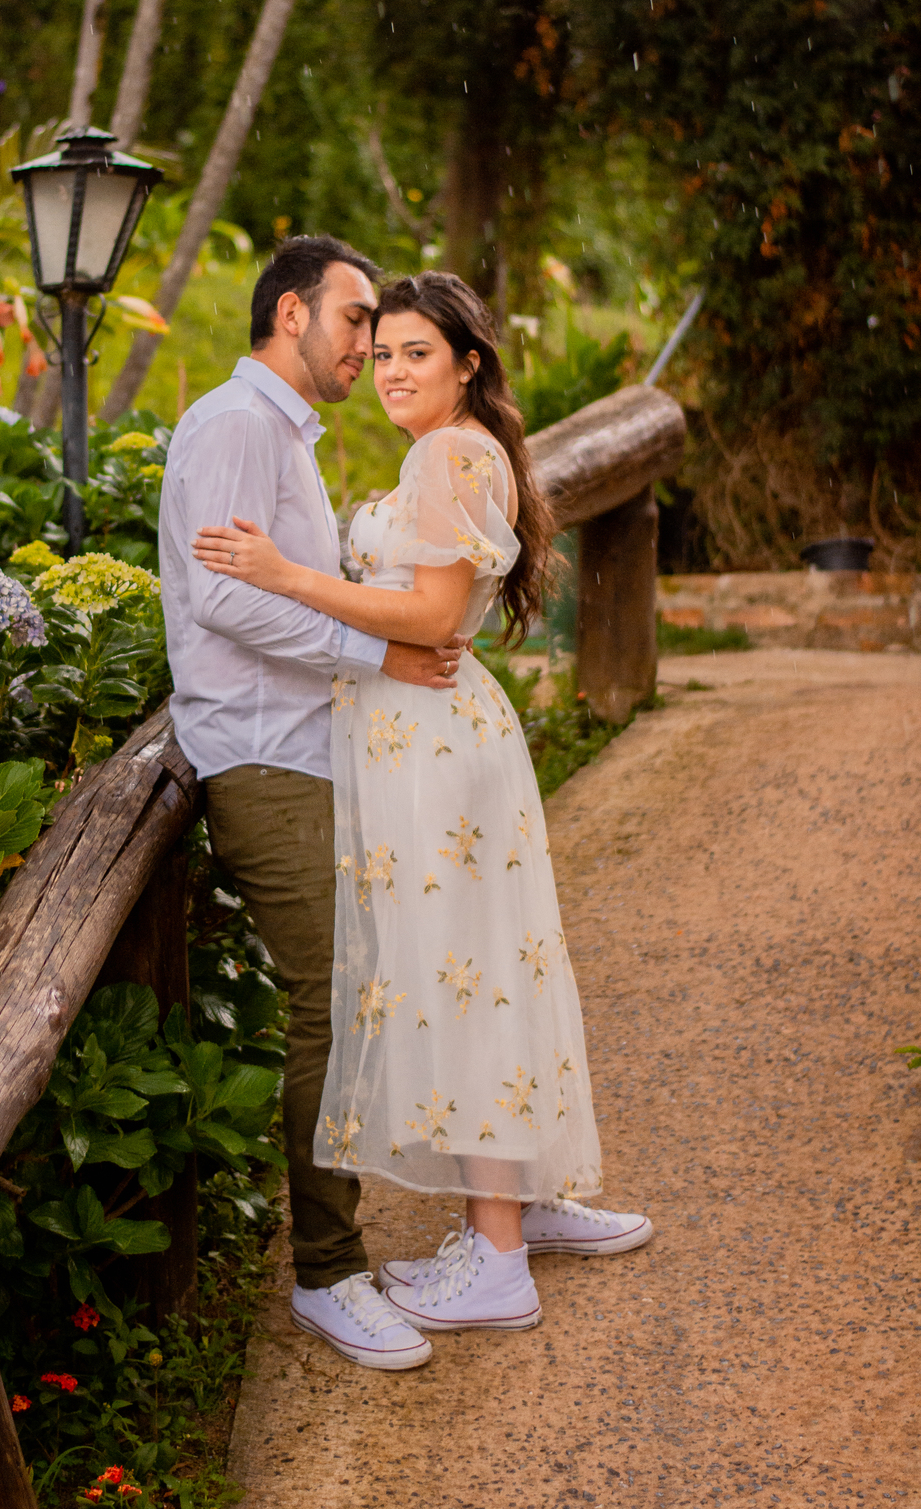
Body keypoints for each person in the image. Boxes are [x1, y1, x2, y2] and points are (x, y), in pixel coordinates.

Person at [192, 269, 653, 1343]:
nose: (392, 369)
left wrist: (282, 572)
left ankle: (496, 1257)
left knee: (460, 979)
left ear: (468, 365)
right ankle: (514, 1211)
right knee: (480, 970)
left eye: (416, 354)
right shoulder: (458, 451)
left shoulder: (448, 453)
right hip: (429, 737)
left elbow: (434, 613)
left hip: (431, 741)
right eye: (383, 350)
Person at [160, 236, 470, 1373]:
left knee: (358, 993)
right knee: (332, 1001)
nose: (366, 343)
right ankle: (328, 1275)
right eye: (352, 319)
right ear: (290, 314)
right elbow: (226, 603)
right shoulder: (235, 426)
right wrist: (369, 655)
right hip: (260, 757)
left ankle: (350, 1253)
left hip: (310, 750)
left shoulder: (281, 435)